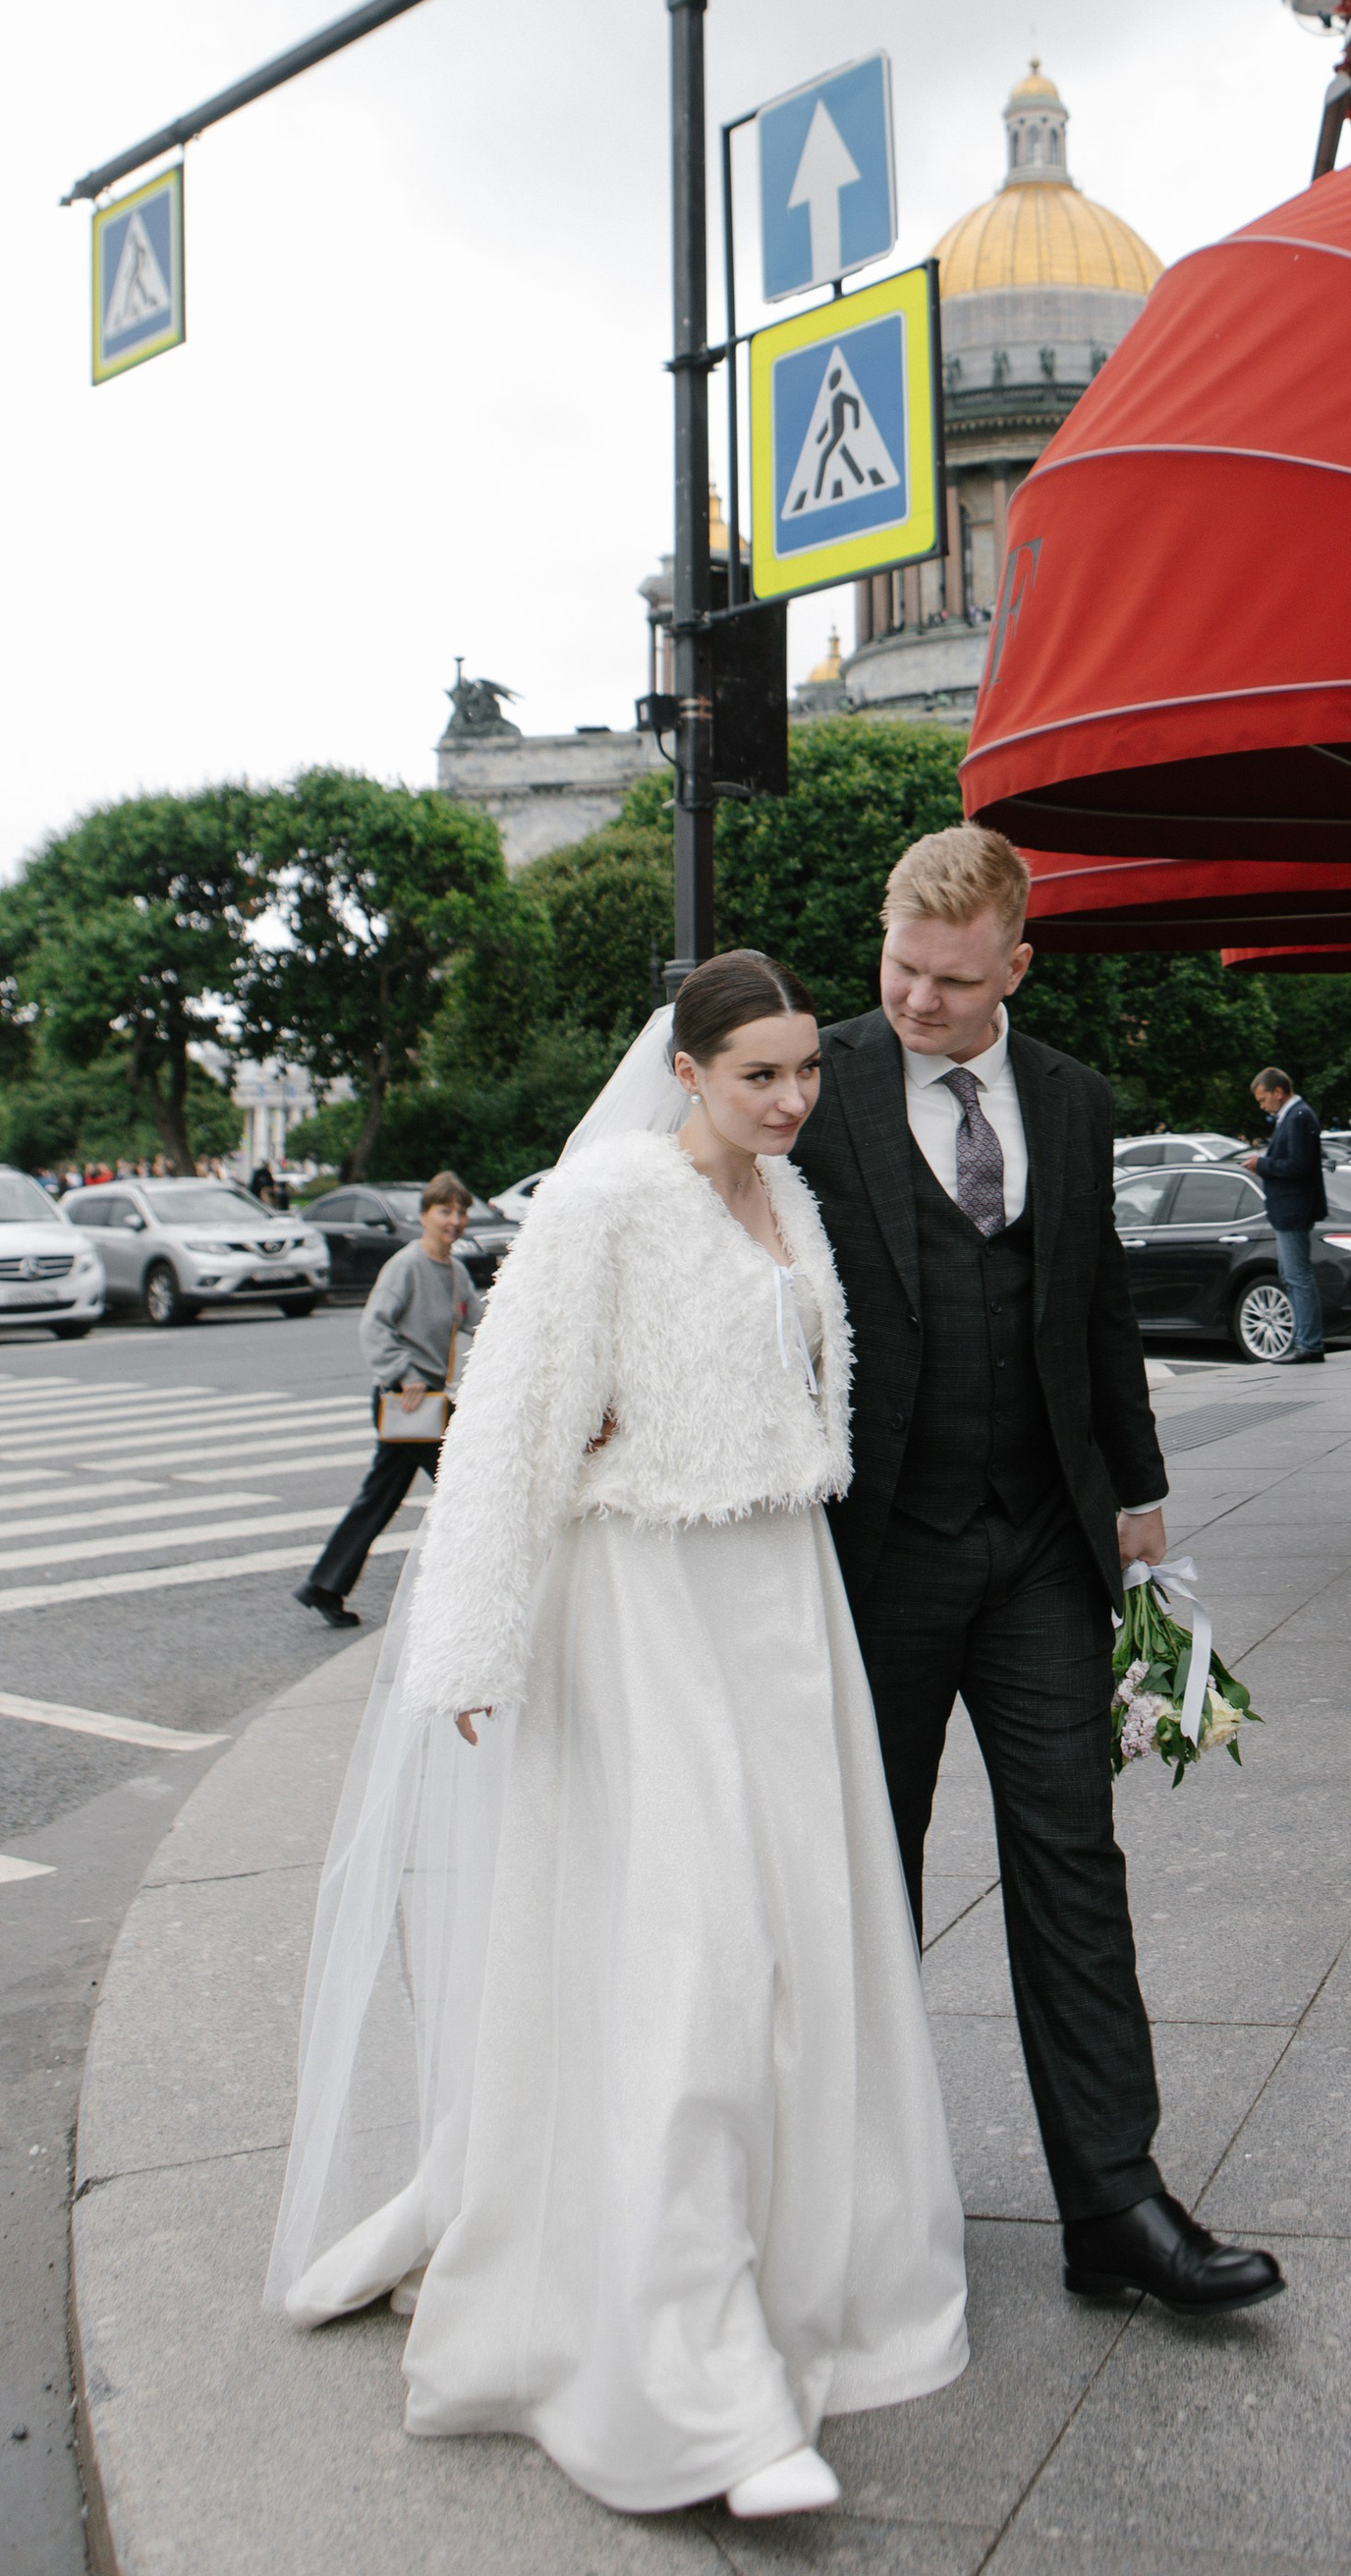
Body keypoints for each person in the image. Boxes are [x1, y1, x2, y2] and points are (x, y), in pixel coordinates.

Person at [267, 947, 966, 2520]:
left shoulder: (793, 1206)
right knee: (694, 1961)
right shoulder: (601, 1203)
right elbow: (513, 1416)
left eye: (804, 1071)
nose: (793, 1100)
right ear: (689, 1071)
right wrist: (469, 1639)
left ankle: (807, 2273)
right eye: (760, 1075)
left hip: (783, 1607)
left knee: (802, 1951)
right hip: (647, 1609)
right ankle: (695, 2380)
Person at [790, 824, 1283, 2320]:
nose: (920, 1004)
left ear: (1017, 962)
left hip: (1044, 1552)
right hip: (870, 1560)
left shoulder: (1074, 1101)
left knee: (1074, 1862)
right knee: (864, 1876)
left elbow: (1094, 1309)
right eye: (901, 972)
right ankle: (845, 2203)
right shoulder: (816, 1096)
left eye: (953, 980)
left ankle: (1115, 2202)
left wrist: (1137, 1490)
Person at [295, 1174, 478, 1630]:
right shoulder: (406, 1265)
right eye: (444, 1211)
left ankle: (323, 1585)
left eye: (460, 1212)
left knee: (379, 1497)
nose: (454, 1221)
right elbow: (374, 1325)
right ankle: (465, 1590)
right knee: (467, 1487)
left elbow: (478, 1317)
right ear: (423, 1216)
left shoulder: (454, 1270)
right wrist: (404, 1373)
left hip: (428, 1403)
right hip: (407, 1401)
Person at [1247, 1067, 1328, 1363]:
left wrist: (1262, 1164)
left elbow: (1299, 1165)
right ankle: (1304, 1342)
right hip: (1290, 1209)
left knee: (1297, 1277)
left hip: (1294, 1209)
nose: (1262, 1105)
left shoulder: (1298, 1116)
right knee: (1292, 1277)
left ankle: (1309, 1344)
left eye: (1263, 1099)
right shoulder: (1293, 1116)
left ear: (1278, 1092)